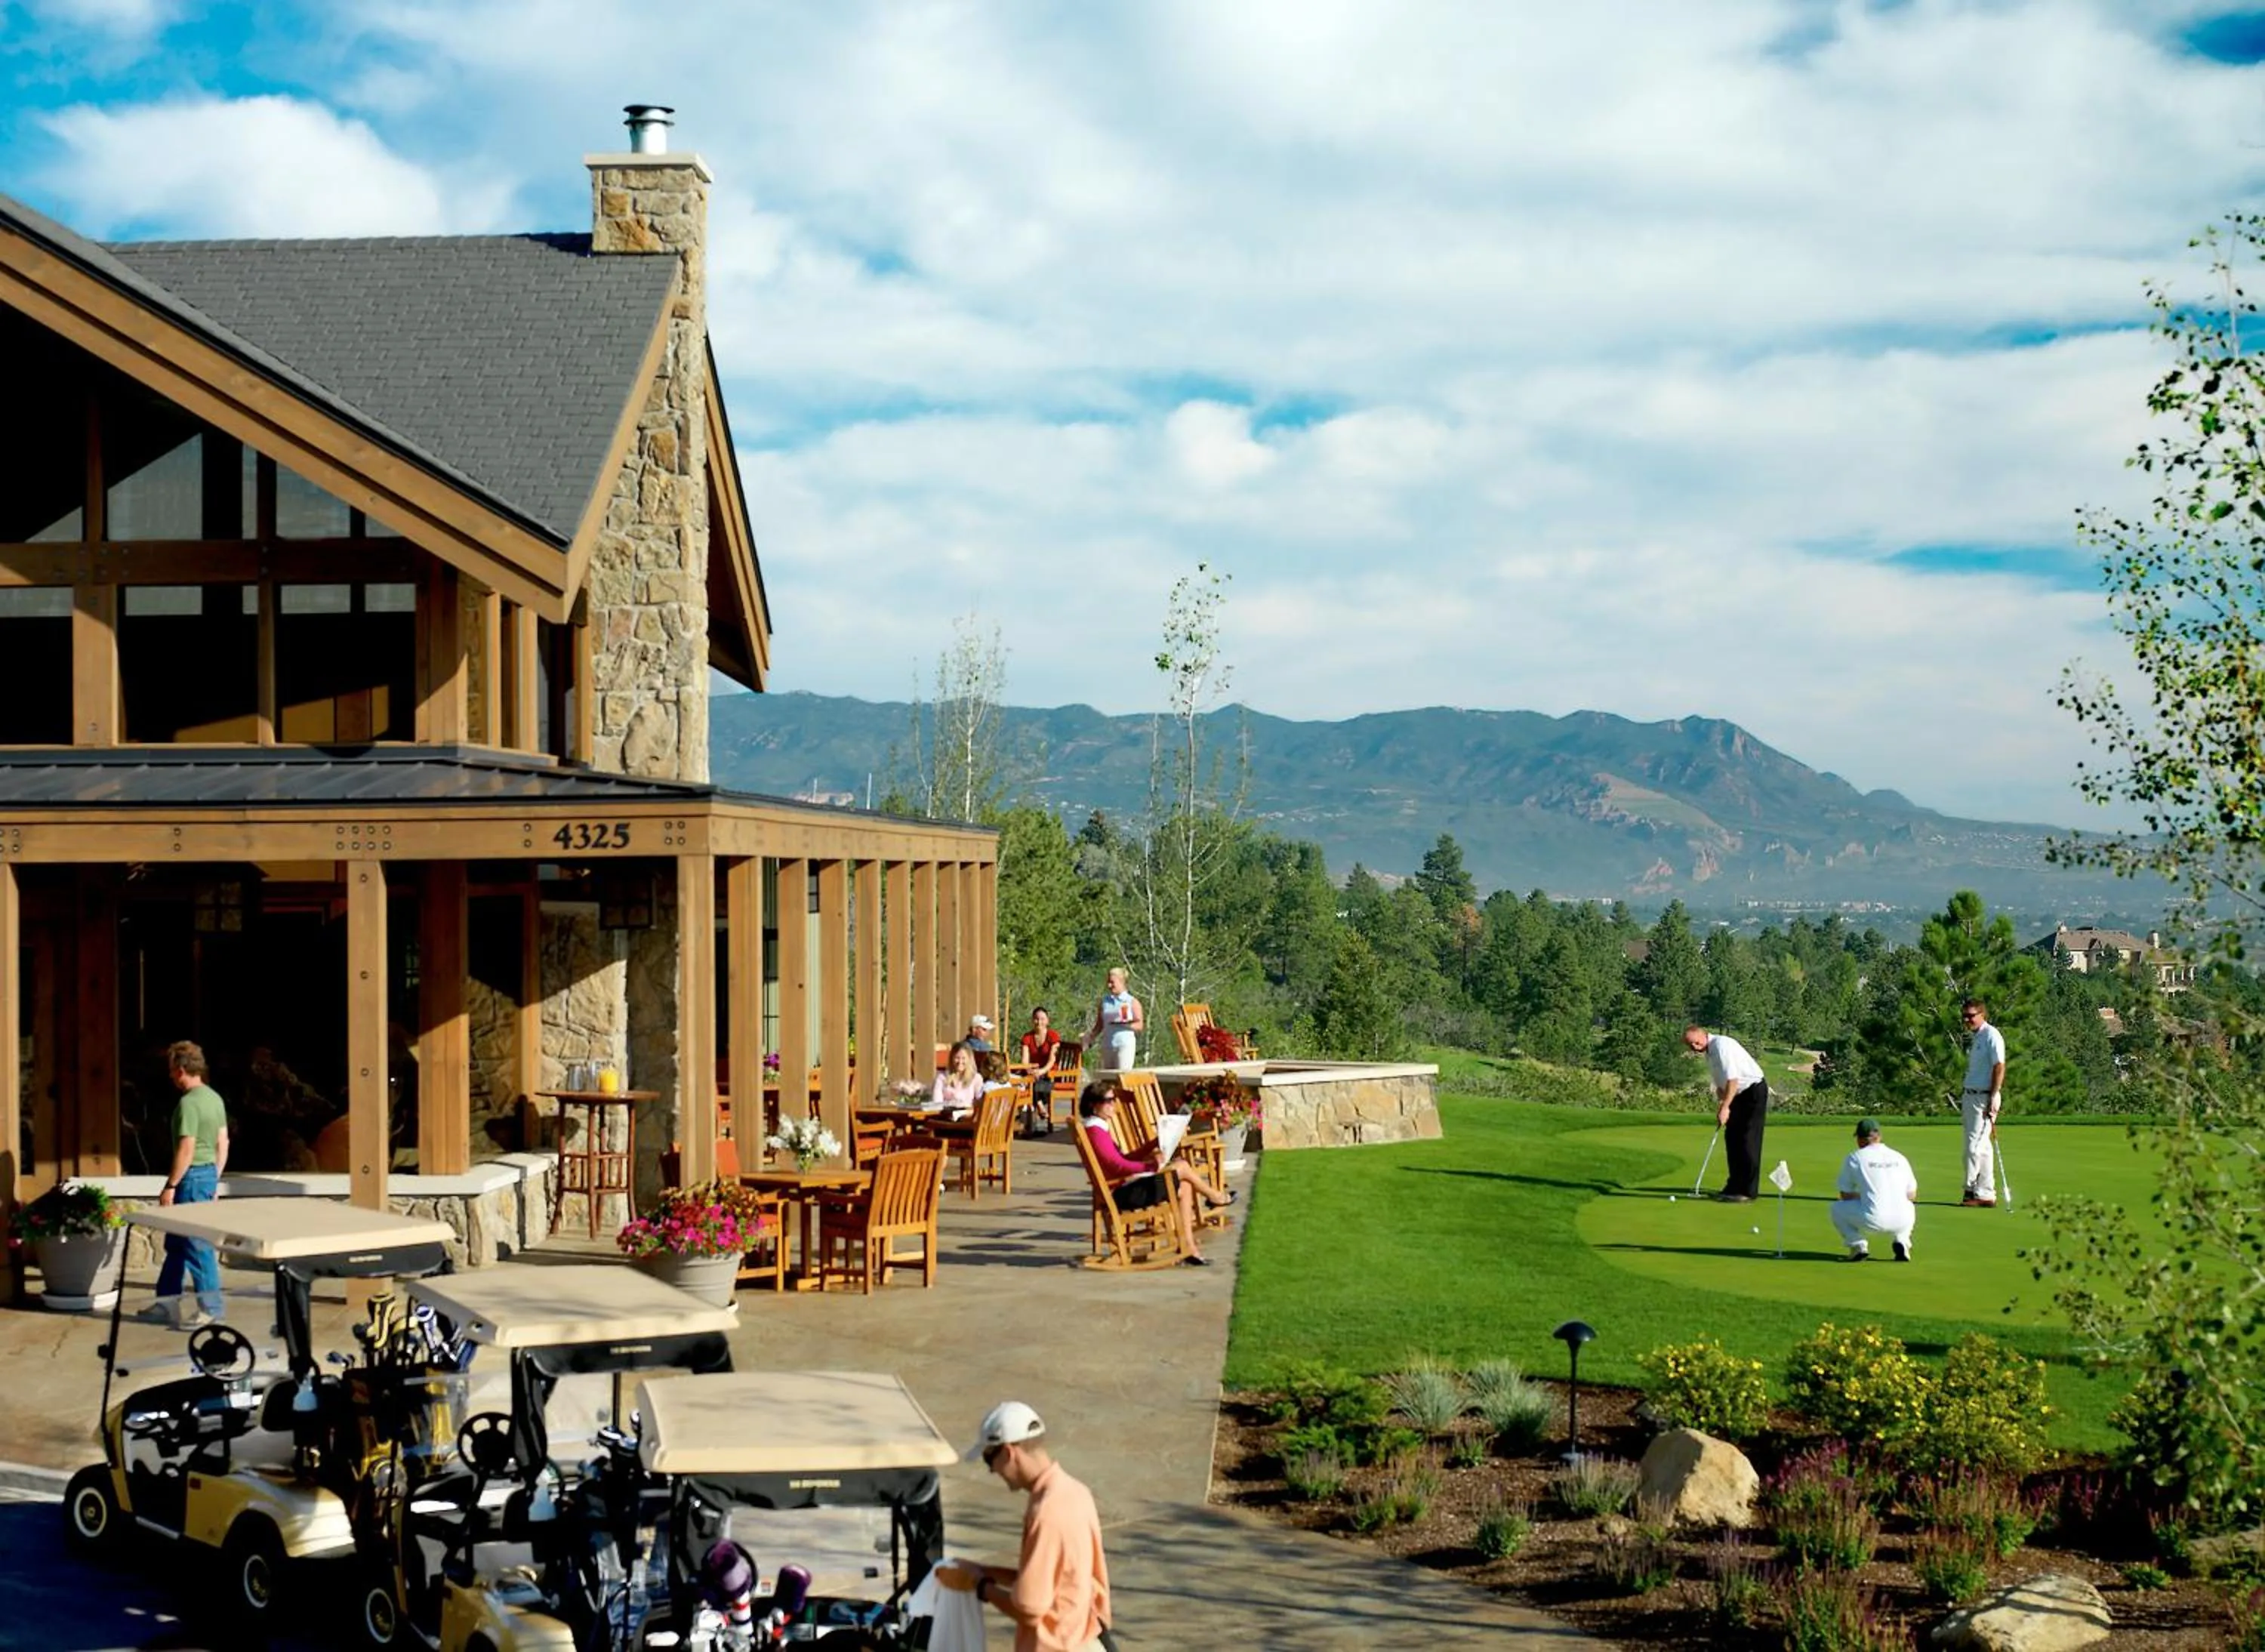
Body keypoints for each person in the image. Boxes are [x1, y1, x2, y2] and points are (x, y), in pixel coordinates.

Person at [939, 1400, 1117, 1652]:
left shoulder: (1045, 1512)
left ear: (1008, 1452)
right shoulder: (1076, 1492)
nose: (992, 1471)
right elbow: (1051, 1581)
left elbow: (1029, 1608)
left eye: (989, 1460)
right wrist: (982, 1571)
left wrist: (980, 1587)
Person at [1077, 1080, 1231, 1265]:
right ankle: (1215, 1197)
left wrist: (1154, 1143)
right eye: (1108, 1101)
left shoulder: (1098, 1128)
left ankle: (1189, 1248)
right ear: (1094, 1105)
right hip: (1122, 1195)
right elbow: (1117, 1166)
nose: (1113, 1104)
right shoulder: (1096, 1132)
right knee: (1181, 1166)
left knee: (1184, 1185)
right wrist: (1150, 1167)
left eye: (1114, 1099)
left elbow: (1125, 1158)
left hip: (1123, 1189)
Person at [144, 1040, 229, 1327]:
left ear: (181, 1070)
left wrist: (171, 1185)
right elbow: (223, 1142)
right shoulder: (214, 1099)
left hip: (190, 1178)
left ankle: (211, 1308)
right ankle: (166, 1303)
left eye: (171, 1071)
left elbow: (186, 1149)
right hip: (206, 1175)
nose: (170, 1076)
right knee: (178, 1244)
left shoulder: (189, 1104)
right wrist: (214, 1179)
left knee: (196, 1244)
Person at [1683, 1024, 1768, 1203]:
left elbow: (1733, 1080)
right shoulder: (1709, 1053)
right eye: (1690, 1045)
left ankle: (1747, 1191)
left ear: (1704, 1035)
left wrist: (1726, 1107)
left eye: (1696, 1043)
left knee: (1748, 1140)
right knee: (1732, 1139)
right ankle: (1734, 1187)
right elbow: (1722, 1084)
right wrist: (1722, 1104)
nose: (1695, 1047)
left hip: (1752, 1092)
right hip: (1737, 1094)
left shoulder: (1721, 1046)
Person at [1831, 1117, 1918, 1262]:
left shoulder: (1855, 1157)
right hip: (1902, 1220)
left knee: (1837, 1208)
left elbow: (1845, 1194)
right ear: (1879, 1136)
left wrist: (1864, 1197)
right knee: (1909, 1206)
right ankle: (1903, 1241)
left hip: (1872, 1220)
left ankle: (1858, 1244)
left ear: (1860, 1139)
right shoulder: (1899, 1157)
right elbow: (1911, 1195)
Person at [1959, 996, 2006, 1206]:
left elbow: (1999, 1066)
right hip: (1971, 1096)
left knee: (1974, 1148)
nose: (1967, 1020)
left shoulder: (1991, 1035)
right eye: (1964, 1016)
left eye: (1971, 1016)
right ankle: (1986, 1194)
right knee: (1983, 1149)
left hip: (1985, 1096)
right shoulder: (1977, 1037)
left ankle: (1970, 1190)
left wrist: (1994, 1095)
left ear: (1982, 1014)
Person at [1086, 969, 1143, 1073]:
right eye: (1108, 982)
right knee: (1107, 1077)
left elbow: (1139, 1025)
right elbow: (1099, 1025)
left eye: (1112, 982)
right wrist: (1090, 1037)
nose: (1109, 985)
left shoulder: (1132, 1002)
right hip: (1107, 1045)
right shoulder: (1105, 1002)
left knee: (1122, 1076)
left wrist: (1125, 1025)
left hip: (1124, 1044)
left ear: (1122, 982)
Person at [1021, 1007, 1064, 1136]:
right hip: (1033, 1074)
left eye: (1042, 1019)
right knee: (1025, 1082)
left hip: (1049, 1075)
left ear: (1047, 1021)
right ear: (1032, 1020)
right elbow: (1025, 1060)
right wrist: (1028, 1069)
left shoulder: (1053, 1036)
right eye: (1036, 1019)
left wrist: (1041, 1071)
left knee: (1034, 1084)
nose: (1039, 1022)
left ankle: (1038, 1104)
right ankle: (1038, 1106)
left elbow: (1052, 1060)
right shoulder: (1027, 1037)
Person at [933, 1040, 986, 1111]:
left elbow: (981, 1102)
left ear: (969, 1059)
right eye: (957, 1058)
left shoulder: (976, 1078)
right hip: (946, 1115)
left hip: (967, 1115)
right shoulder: (942, 1077)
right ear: (952, 1058)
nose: (960, 1062)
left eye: (964, 1058)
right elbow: (937, 1103)